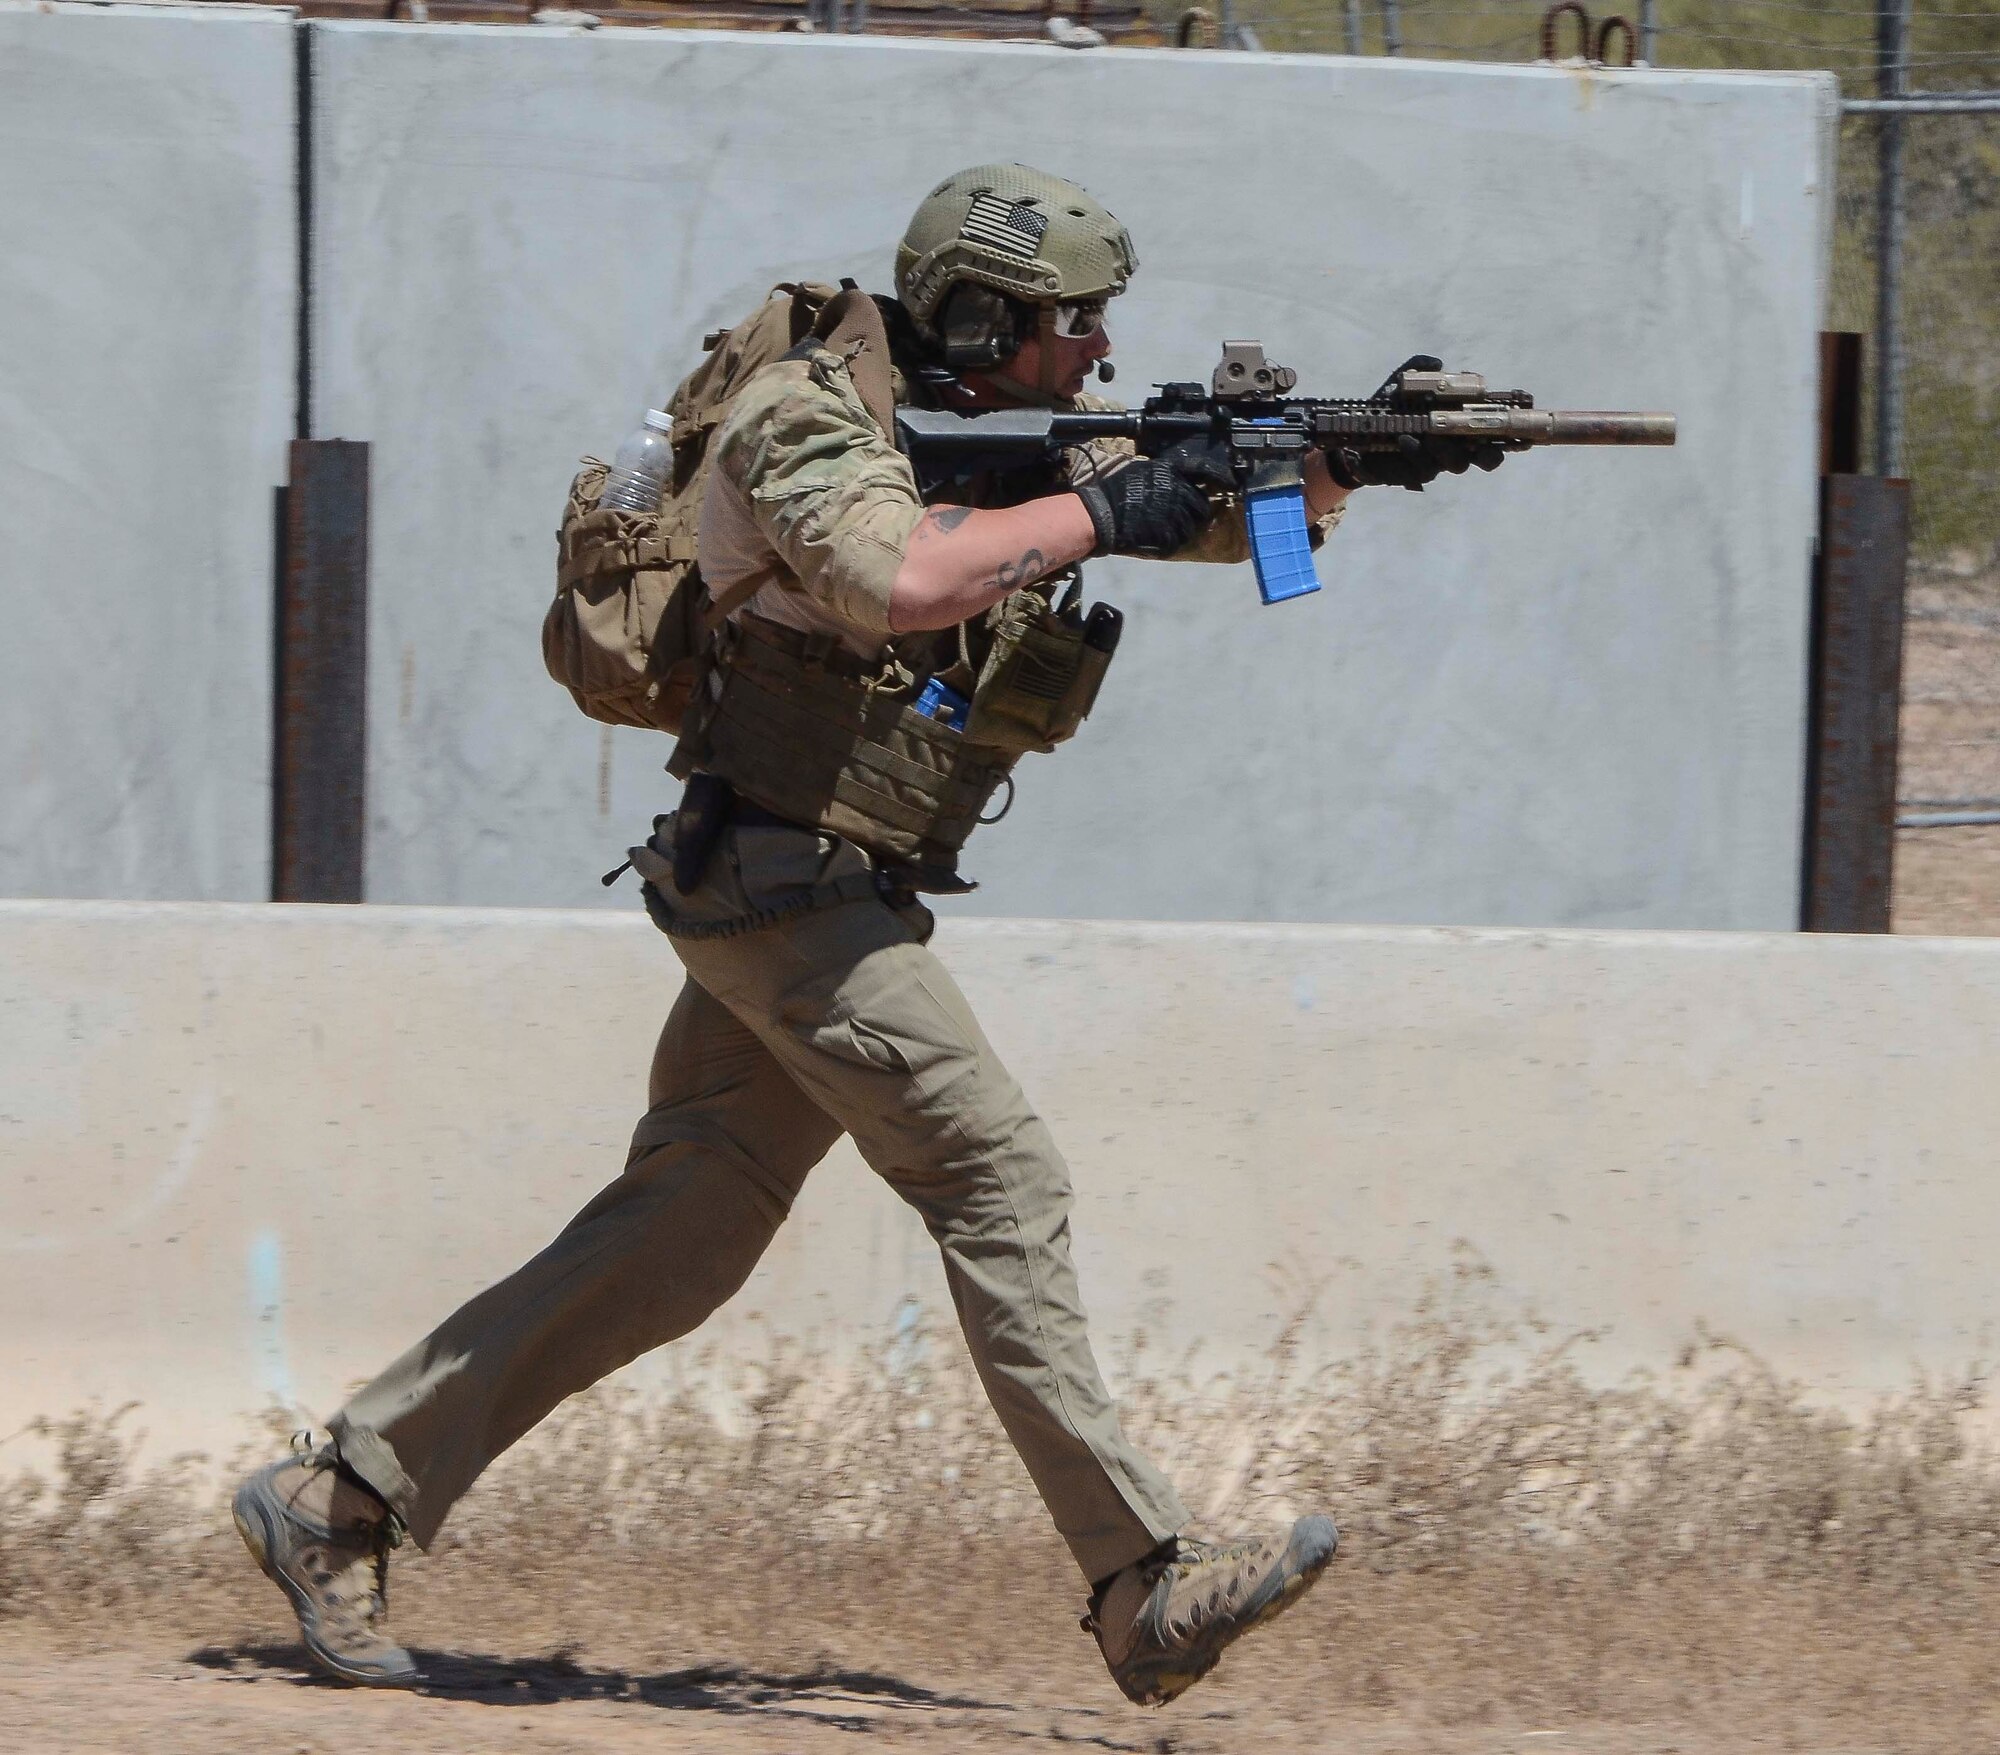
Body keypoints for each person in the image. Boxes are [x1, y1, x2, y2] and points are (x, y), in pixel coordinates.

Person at [231, 163, 1464, 1709]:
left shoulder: (966, 427)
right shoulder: (805, 421)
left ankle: (338, 1498)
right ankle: (1144, 1586)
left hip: (809, 886)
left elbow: (1170, 515)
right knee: (997, 1175)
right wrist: (1102, 506)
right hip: (783, 887)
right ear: (974, 318)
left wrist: (1339, 466)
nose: (1093, 350)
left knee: (678, 1242)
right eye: (1069, 322)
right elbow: (901, 578)